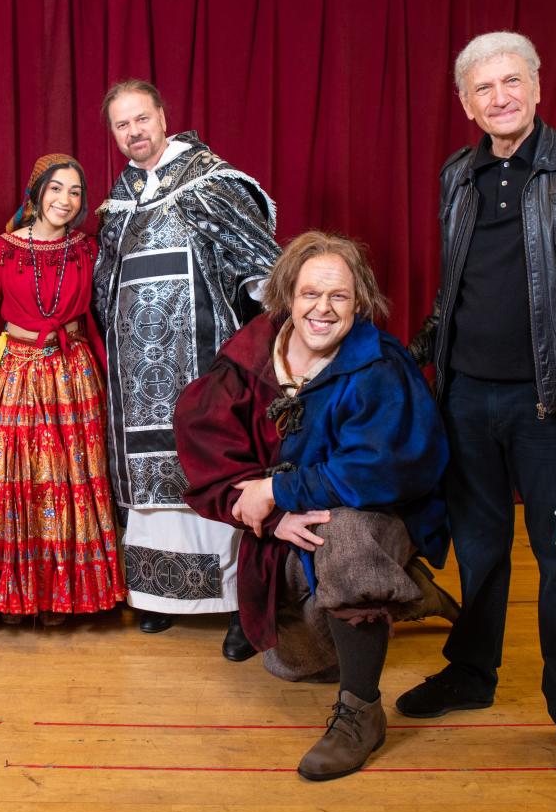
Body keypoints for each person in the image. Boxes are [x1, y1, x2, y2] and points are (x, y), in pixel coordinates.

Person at [399, 31, 556, 788]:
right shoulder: (457, 175)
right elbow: (456, 291)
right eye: (483, 88)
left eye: (512, 82)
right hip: (467, 401)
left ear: (538, 88)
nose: (499, 97)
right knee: (479, 552)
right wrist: (424, 372)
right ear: (465, 104)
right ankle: (472, 672)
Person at [175, 231, 450, 781]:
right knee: (296, 664)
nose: (322, 309)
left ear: (360, 302)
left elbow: (381, 467)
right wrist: (273, 519)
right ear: (286, 295)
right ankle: (406, 591)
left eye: (339, 297)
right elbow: (206, 449)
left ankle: (360, 714)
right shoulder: (248, 361)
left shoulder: (379, 368)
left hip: (373, 516)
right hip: (287, 526)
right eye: (309, 295)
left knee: (341, 538)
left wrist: (279, 492)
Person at [94, 79, 281, 660]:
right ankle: (159, 596)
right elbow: (104, 285)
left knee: (211, 469)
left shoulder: (210, 183)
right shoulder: (122, 197)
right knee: (152, 484)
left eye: (141, 119)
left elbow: (261, 267)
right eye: (122, 125)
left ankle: (237, 605)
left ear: (163, 116)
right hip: (137, 376)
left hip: (202, 363)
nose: (134, 133)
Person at [0, 154, 125, 624]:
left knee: (69, 478)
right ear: (36, 194)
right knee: (16, 477)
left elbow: (103, 312)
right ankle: (9, 594)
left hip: (72, 373)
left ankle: (67, 593)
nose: (65, 200)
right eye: (56, 189)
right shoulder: (4, 250)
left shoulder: (88, 250)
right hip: (16, 370)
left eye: (75, 192)